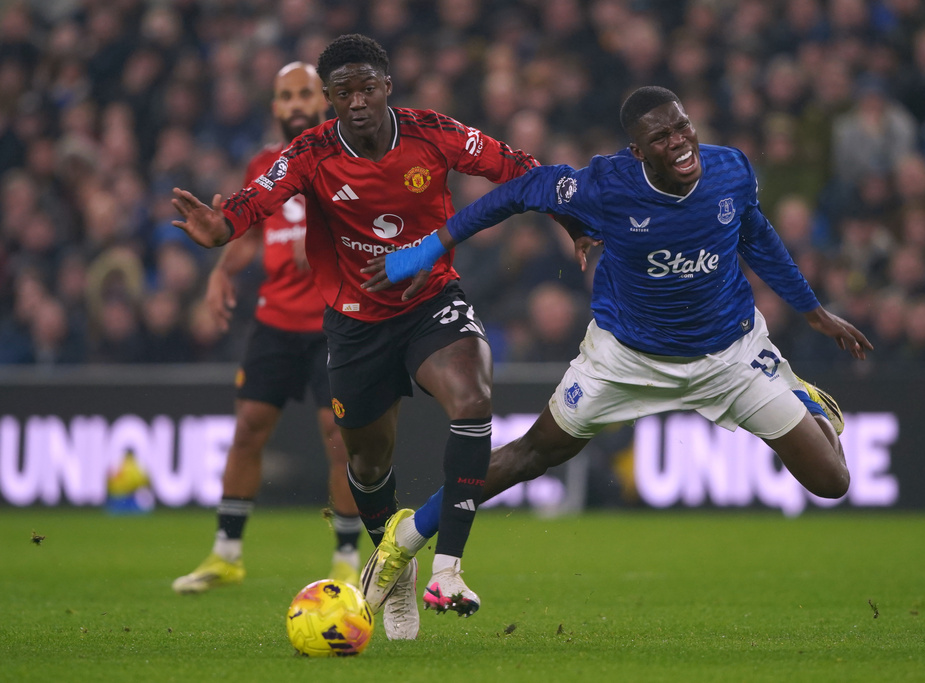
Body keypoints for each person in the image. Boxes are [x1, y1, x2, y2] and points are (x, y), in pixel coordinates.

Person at [359, 86, 874, 614]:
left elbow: (756, 233)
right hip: (625, 358)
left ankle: (802, 395)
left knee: (832, 482)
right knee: (531, 454)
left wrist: (813, 312)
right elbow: (511, 194)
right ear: (639, 151)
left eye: (682, 127)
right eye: (661, 137)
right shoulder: (603, 186)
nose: (679, 143)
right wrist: (420, 253)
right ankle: (406, 538)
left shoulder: (731, 170)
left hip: (731, 355)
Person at [171, 34, 572, 637]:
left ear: (387, 87)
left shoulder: (432, 132)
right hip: (356, 323)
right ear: (330, 100)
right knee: (365, 459)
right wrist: (223, 226)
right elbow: (256, 200)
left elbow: (522, 171)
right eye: (343, 91)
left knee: (473, 399)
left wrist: (575, 225)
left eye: (367, 87)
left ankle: (449, 567)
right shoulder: (310, 153)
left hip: (431, 300)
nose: (356, 100)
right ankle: (396, 564)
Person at [172, 63, 364, 598]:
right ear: (275, 108)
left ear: (323, 101)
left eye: (306, 93)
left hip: (335, 319)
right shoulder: (265, 164)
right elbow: (251, 234)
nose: (298, 103)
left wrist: (329, 243)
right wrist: (222, 270)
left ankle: (346, 558)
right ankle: (227, 553)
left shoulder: (347, 154)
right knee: (248, 428)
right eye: (287, 96)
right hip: (276, 319)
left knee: (340, 440)